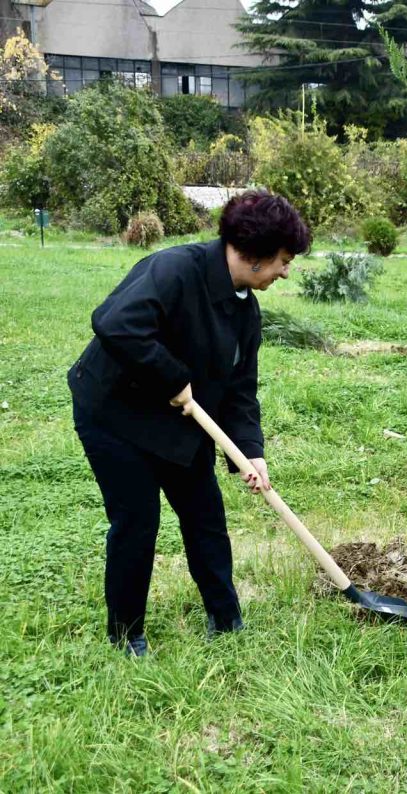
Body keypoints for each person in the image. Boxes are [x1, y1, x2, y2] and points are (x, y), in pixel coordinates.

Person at [68, 190, 311, 656]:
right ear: (255, 255)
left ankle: (226, 618)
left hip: (181, 422)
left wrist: (249, 450)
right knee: (137, 520)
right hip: (116, 413)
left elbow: (240, 389)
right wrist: (173, 379)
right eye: (282, 260)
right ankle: (126, 634)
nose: (286, 271)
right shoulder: (174, 270)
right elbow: (116, 323)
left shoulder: (246, 312)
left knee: (205, 517)